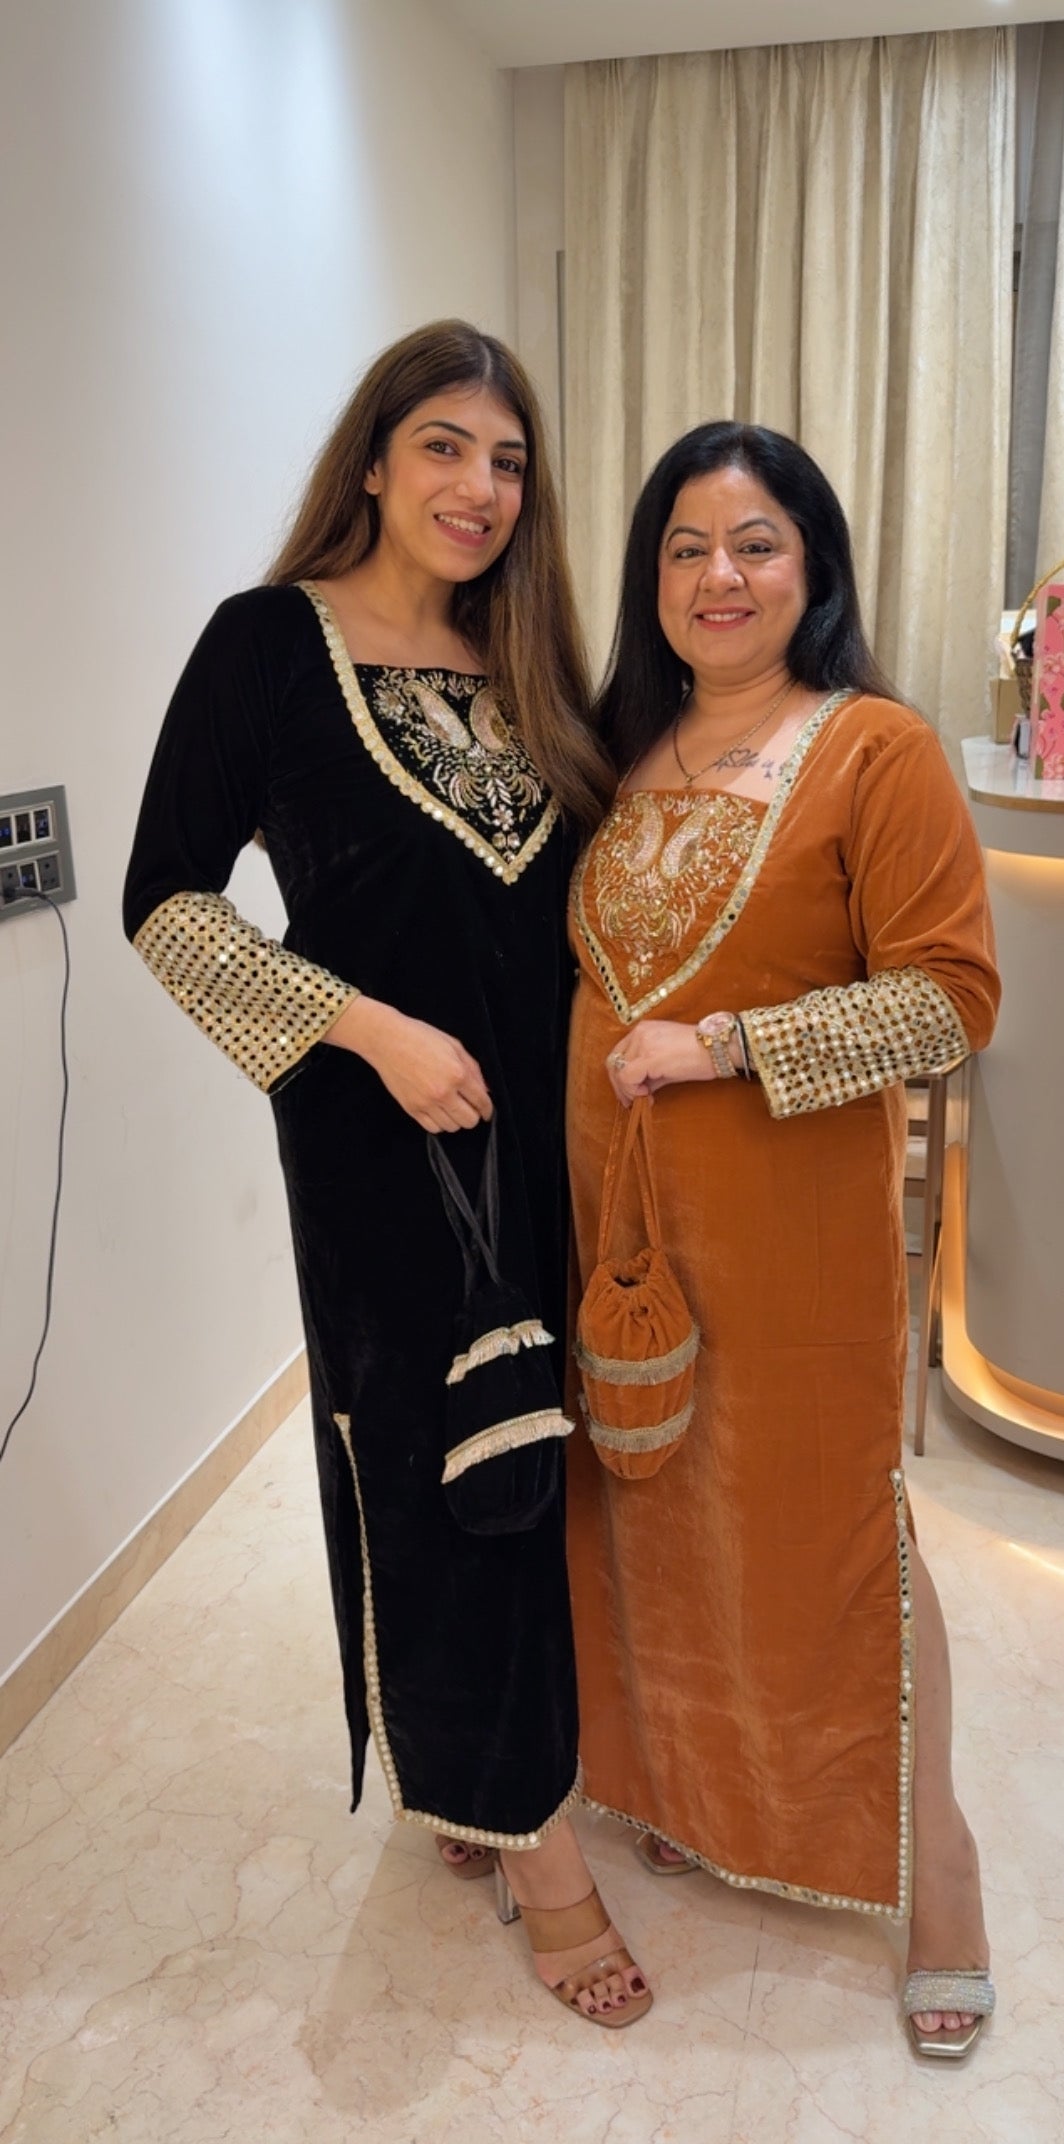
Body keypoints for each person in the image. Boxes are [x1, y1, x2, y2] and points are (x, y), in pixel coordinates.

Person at [124, 321, 651, 2029]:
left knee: (536, 1456)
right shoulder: (267, 644)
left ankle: (477, 1770)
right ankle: (538, 1854)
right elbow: (165, 905)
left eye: (507, 461)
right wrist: (366, 1031)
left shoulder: (525, 660)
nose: (478, 488)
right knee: (444, 1474)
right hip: (383, 1146)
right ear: (370, 457)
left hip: (545, 1142)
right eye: (442, 445)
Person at [565, 421, 1001, 2058]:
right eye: (684, 547)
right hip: (618, 1224)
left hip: (791, 1236)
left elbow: (951, 1000)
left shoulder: (871, 749)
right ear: (649, 580)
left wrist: (729, 1044)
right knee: (654, 1521)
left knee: (832, 1539)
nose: (718, 577)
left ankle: (937, 1875)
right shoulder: (617, 747)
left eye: (754, 544)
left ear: (809, 567)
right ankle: (696, 1795)